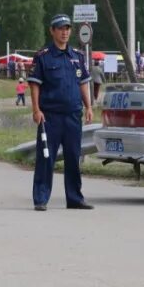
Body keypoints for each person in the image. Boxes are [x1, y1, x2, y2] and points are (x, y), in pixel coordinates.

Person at [29, 14, 94, 211]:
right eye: (60, 28)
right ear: (52, 31)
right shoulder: (43, 57)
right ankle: (41, 198)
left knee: (73, 157)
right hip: (50, 116)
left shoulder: (77, 56)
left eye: (67, 28)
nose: (64, 32)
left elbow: (83, 83)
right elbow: (34, 85)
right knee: (46, 158)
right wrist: (36, 109)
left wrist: (89, 106)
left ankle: (74, 198)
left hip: (73, 115)